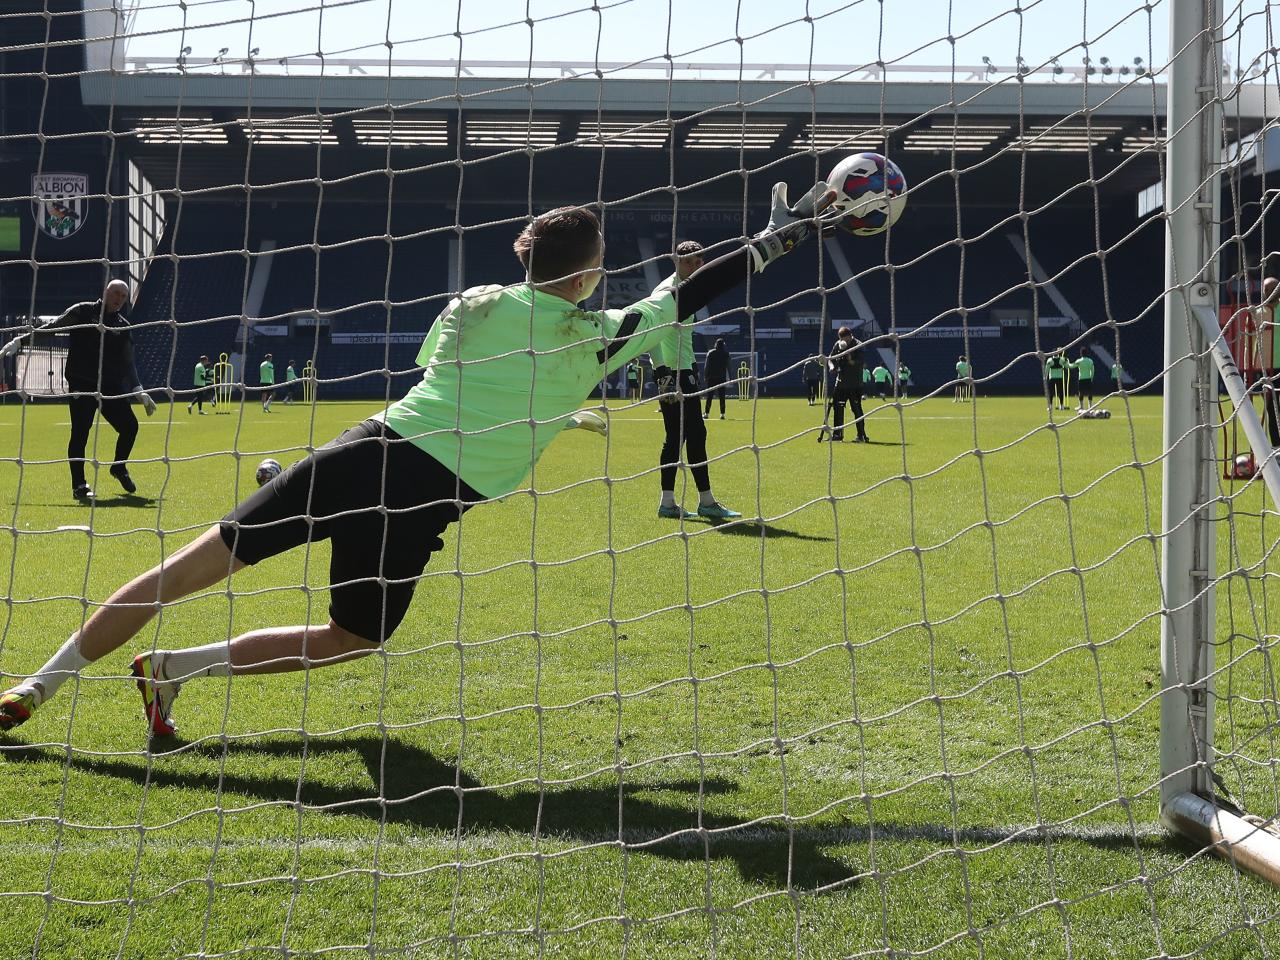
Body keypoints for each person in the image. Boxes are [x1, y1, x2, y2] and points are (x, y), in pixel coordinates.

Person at [0, 180, 837, 734]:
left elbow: (465, 362)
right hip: (426, 501)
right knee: (350, 637)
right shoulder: (599, 338)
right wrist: (776, 240)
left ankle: (48, 685)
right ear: (588, 278)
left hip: (365, 454)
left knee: (185, 574)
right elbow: (684, 295)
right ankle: (175, 669)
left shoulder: (473, 304)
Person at [0, 279, 156, 500]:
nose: (119, 299)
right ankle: (79, 485)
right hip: (81, 383)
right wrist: (21, 341)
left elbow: (127, 362)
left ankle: (118, 468)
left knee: (130, 426)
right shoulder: (82, 312)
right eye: (116, 293)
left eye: (123, 296)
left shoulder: (122, 325)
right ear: (106, 291)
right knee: (81, 432)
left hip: (109, 386)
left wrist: (139, 389)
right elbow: (52, 328)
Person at [653, 240, 741, 521]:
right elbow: (650, 335)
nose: (695, 266)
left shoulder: (688, 287)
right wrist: (663, 374)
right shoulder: (668, 291)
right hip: (674, 374)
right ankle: (704, 502)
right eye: (690, 261)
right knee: (691, 435)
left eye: (699, 261)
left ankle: (670, 503)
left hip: (684, 370)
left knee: (679, 436)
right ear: (677, 261)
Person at [821, 326, 868, 443]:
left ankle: (861, 435)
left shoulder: (858, 344)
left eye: (846, 339)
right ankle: (837, 435)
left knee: (856, 409)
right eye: (842, 339)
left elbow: (860, 362)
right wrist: (831, 367)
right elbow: (830, 358)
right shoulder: (838, 344)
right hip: (841, 383)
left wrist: (850, 359)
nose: (844, 341)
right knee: (837, 408)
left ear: (850, 335)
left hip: (855, 384)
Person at [703, 337, 731, 419]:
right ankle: (722, 414)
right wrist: (731, 377)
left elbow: (706, 366)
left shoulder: (710, 353)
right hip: (722, 378)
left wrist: (705, 375)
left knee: (709, 396)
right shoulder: (726, 354)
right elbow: (729, 366)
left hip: (711, 378)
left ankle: (706, 413)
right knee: (722, 396)